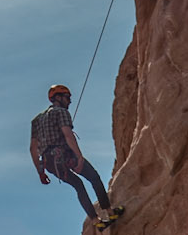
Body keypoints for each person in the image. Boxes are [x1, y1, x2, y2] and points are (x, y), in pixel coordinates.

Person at [30, 84, 122, 226]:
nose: (70, 101)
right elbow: (68, 135)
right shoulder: (60, 112)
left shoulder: (36, 121)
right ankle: (110, 212)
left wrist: (40, 172)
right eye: (67, 97)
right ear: (59, 98)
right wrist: (79, 157)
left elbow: (33, 148)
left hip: (49, 162)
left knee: (78, 185)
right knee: (94, 177)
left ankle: (96, 221)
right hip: (64, 155)